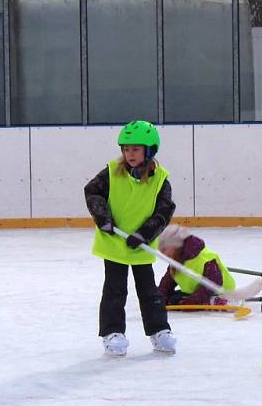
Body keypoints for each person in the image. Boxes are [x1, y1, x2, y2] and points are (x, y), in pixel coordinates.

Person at [84, 120, 177, 356]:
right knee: (115, 289)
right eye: (126, 149)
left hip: (141, 246)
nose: (129, 154)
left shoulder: (160, 178)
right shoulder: (111, 171)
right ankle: (112, 333)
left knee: (149, 291)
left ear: (149, 150)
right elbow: (92, 191)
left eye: (135, 149)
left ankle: (159, 331)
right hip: (114, 243)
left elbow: (164, 210)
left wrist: (144, 234)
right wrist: (102, 217)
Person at [157, 225, 233, 306]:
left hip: (219, 291)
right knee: (174, 299)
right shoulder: (176, 259)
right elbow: (167, 282)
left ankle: (219, 301)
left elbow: (214, 283)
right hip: (194, 292)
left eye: (164, 249)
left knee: (182, 301)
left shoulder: (205, 259)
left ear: (176, 246)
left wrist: (193, 301)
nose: (162, 253)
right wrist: (160, 297)